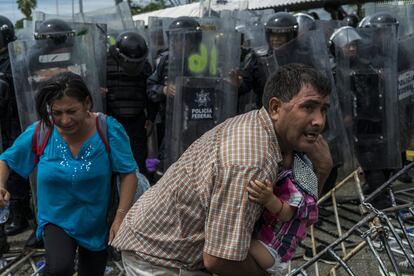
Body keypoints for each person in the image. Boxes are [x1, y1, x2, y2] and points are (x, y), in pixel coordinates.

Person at [112, 63, 333, 275]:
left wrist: (322, 169)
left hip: (180, 252)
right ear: (275, 108)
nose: (319, 121)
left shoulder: (279, 137)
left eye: (323, 110)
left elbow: (302, 211)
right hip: (159, 258)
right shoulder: (250, 162)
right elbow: (221, 260)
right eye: (308, 107)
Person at [0, 72, 137, 275]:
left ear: (87, 103)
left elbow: (128, 174)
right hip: (56, 218)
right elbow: (7, 159)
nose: (64, 120)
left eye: (72, 111)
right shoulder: (41, 131)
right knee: (58, 268)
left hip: (96, 220)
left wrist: (120, 217)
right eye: (57, 113)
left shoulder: (108, 130)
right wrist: (1, 185)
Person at [106, 31, 155, 176]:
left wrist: (151, 118)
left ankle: (140, 196)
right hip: (111, 117)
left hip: (136, 119)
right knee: (113, 159)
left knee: (137, 161)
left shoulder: (145, 66)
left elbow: (150, 91)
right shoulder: (105, 63)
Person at [0, 15, 31, 246]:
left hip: (14, 119)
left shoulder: (15, 58)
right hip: (3, 120)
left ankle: (19, 215)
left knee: (15, 167)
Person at [241, 12, 299, 108]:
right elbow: (247, 84)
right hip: (267, 112)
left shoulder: (301, 57)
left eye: (280, 36)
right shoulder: (259, 59)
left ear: (291, 35)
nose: (275, 39)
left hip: (296, 111)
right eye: (273, 35)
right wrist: (239, 84)